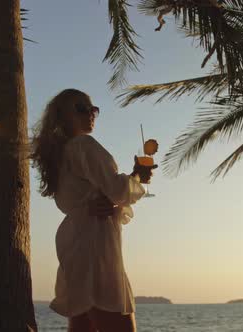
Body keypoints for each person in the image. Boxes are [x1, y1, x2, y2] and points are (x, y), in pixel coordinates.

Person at [31, 89, 156, 332]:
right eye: (81, 108)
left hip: (76, 247)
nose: (90, 114)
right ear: (62, 117)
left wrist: (124, 185)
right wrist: (138, 177)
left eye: (93, 109)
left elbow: (94, 196)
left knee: (82, 325)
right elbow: (118, 191)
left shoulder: (60, 156)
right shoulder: (82, 145)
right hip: (95, 250)